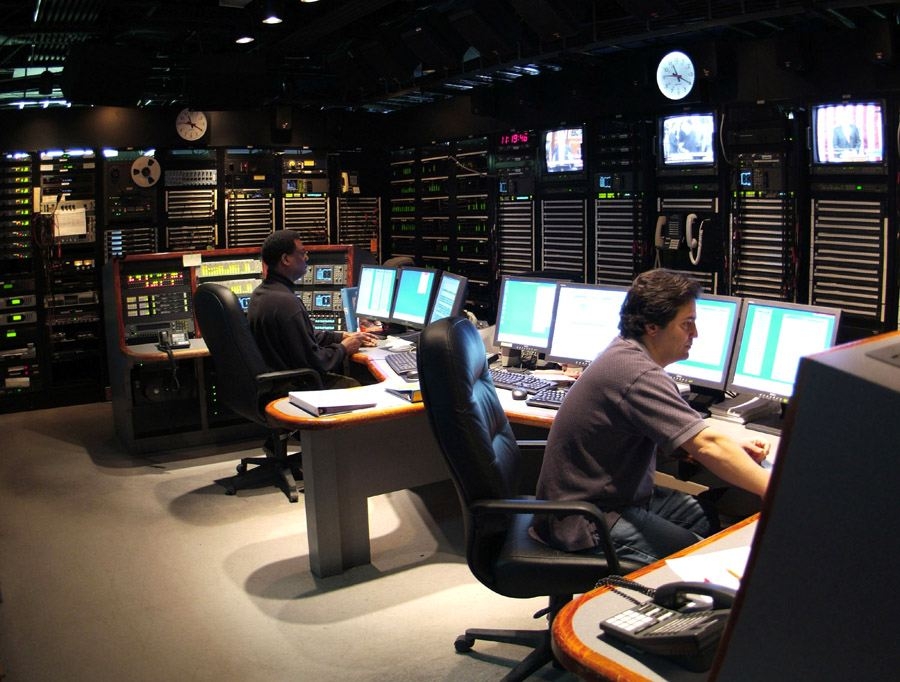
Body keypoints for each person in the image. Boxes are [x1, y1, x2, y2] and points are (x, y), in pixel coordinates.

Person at [531, 269, 771, 565]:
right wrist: (776, 490)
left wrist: (731, 447)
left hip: (612, 499)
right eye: (686, 324)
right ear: (652, 327)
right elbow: (707, 444)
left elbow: (690, 435)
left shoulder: (626, 355)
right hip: (584, 520)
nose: (695, 334)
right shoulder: (637, 373)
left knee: (705, 517)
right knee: (697, 558)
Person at [248, 230, 379, 388]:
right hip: (295, 386)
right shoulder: (287, 303)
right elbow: (316, 362)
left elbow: (300, 337)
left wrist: (340, 336)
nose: (306, 258)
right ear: (286, 259)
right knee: (355, 386)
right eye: (302, 253)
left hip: (275, 382)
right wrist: (344, 348)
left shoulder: (261, 294)